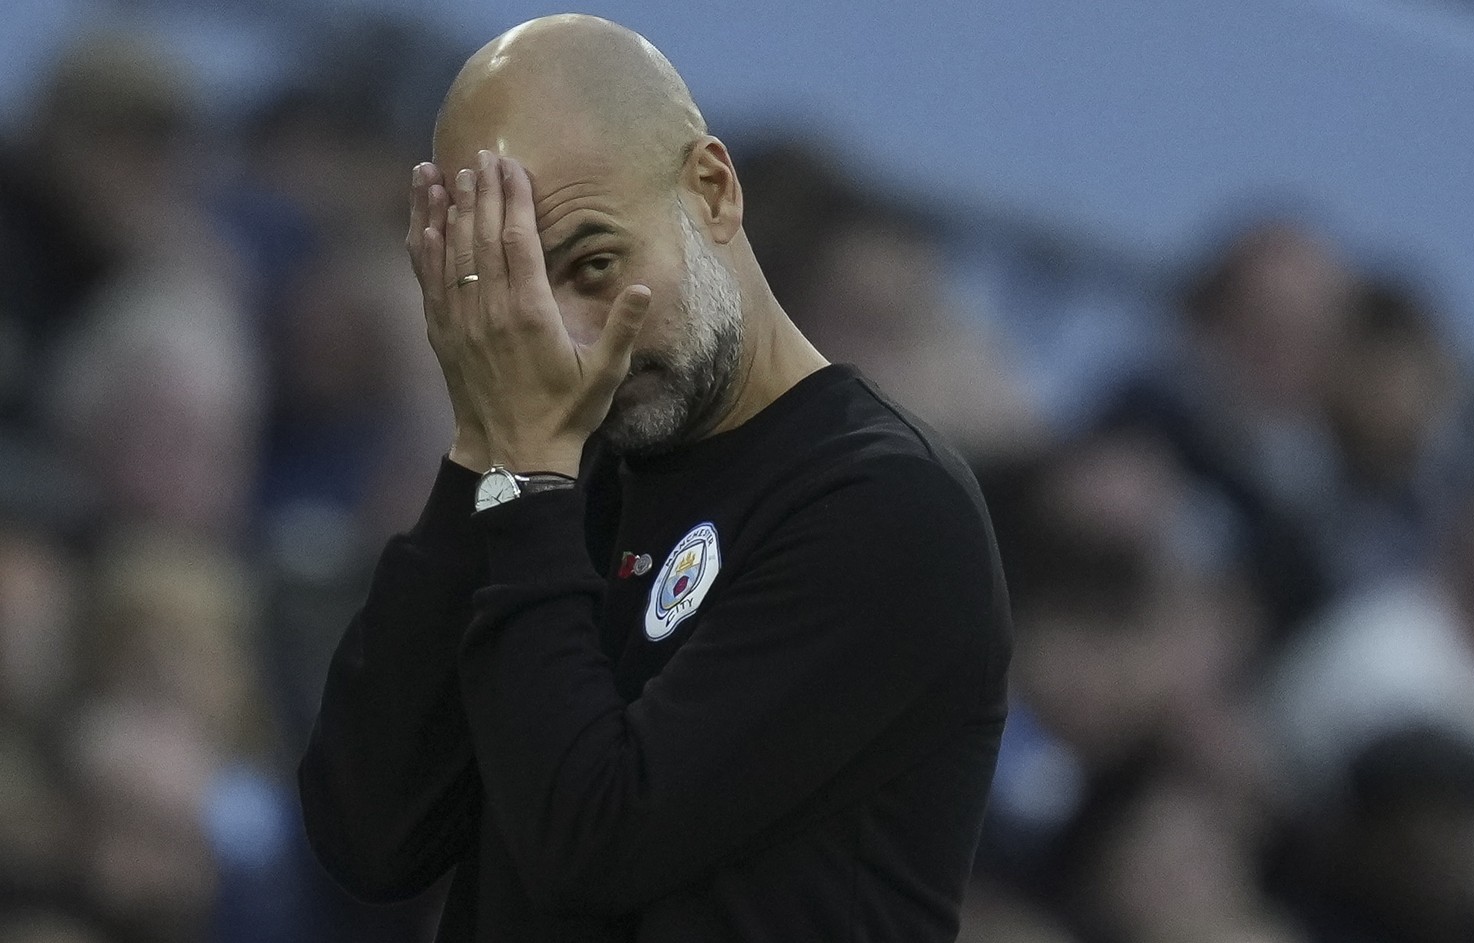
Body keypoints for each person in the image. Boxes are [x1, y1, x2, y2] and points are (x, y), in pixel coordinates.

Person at [298, 14, 1012, 943]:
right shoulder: (550, 469)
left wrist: (528, 481)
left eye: (594, 265)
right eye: (517, 294)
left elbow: (593, 843)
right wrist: (483, 445)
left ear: (712, 192)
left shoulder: (884, 505)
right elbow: (368, 833)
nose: (572, 340)